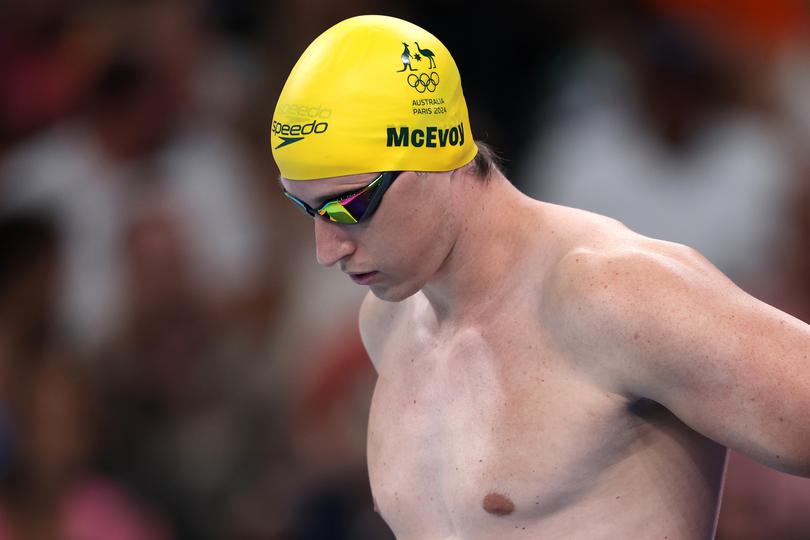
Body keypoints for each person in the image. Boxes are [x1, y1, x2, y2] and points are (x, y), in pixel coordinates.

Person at [271, 15, 810, 539]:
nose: (327, 248)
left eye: (347, 206)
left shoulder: (611, 292)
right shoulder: (388, 320)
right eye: (305, 208)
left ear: (434, 157)